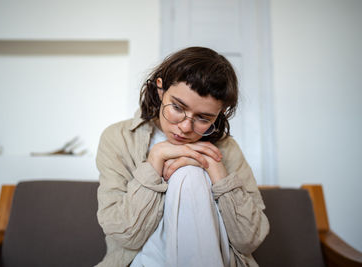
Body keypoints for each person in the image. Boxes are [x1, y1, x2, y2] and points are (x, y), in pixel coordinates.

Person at [95, 47, 269, 267]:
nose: (186, 127)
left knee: (190, 173)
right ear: (160, 89)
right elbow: (125, 234)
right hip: (141, 260)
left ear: (219, 115)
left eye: (203, 118)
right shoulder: (118, 138)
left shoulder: (227, 148)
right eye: (177, 107)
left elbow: (249, 240)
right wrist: (155, 160)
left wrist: (215, 170)